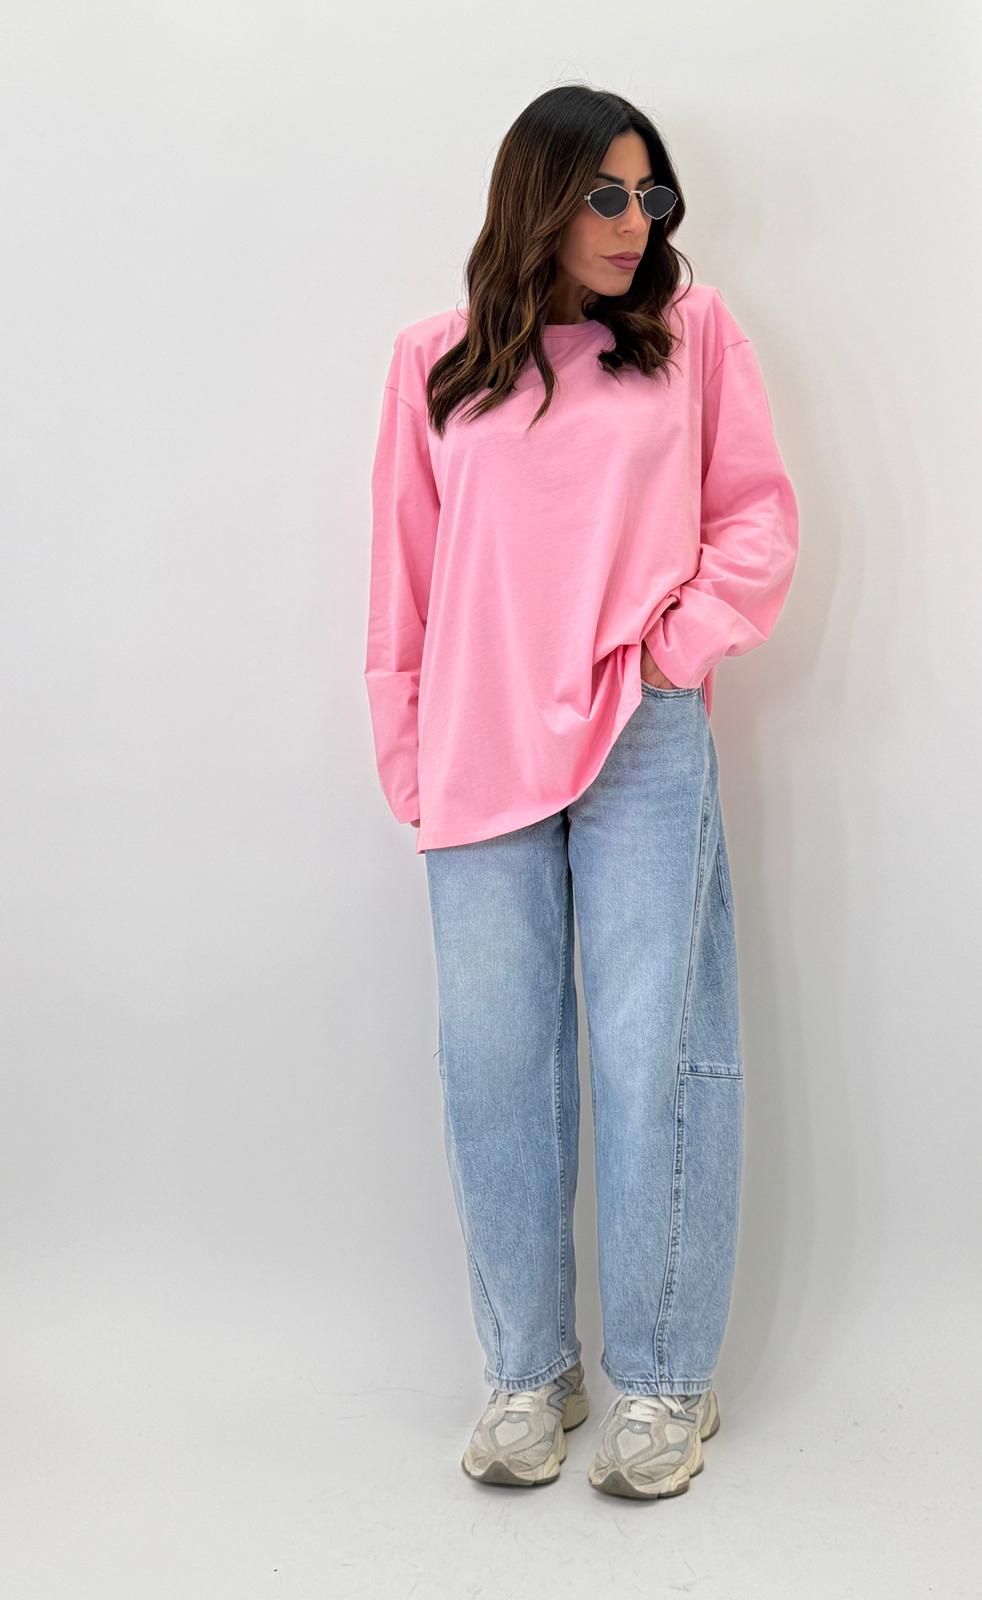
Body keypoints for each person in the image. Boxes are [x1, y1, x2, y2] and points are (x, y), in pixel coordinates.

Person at [363, 84, 799, 1500]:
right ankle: (527, 1373)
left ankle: (666, 1380)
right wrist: (410, 751)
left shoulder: (692, 337)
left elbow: (754, 517)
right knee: (494, 1066)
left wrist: (674, 651)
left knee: (653, 1053)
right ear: (536, 197)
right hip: (477, 745)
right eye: (605, 195)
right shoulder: (434, 363)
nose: (633, 223)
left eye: (649, 197)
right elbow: (403, 583)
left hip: (638, 734)